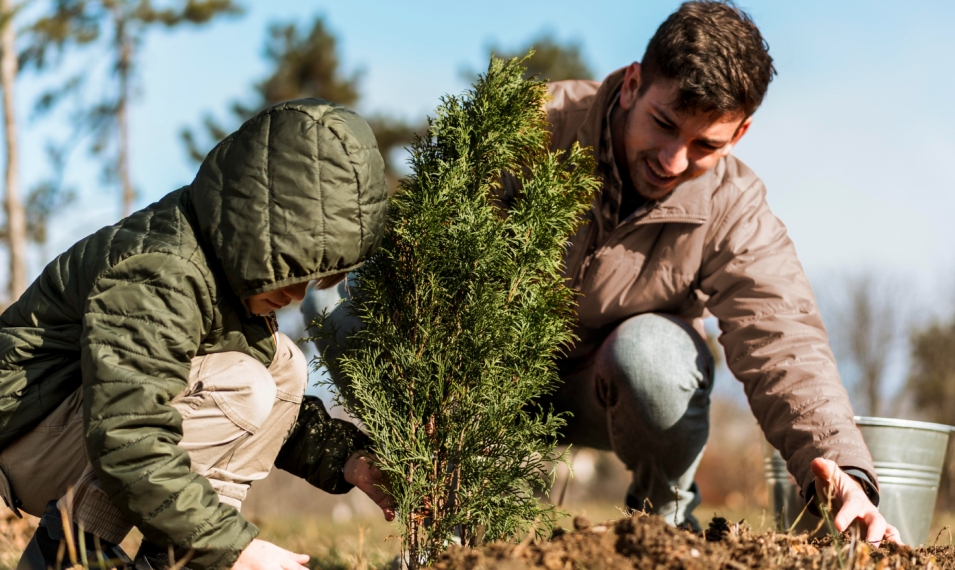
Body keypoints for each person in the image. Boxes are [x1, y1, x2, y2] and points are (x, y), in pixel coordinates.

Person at [307, 0, 900, 545]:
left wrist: (842, 468)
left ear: (740, 133)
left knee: (656, 355)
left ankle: (663, 528)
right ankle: (448, 516)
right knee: (334, 307)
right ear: (634, 84)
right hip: (487, 376)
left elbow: (783, 336)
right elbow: (424, 255)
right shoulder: (532, 129)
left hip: (608, 389)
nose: (674, 161)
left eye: (704, 145)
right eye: (664, 124)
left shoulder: (733, 207)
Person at [0, 99, 394, 570]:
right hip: (23, 441)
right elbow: (128, 428)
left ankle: (177, 560)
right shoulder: (162, 272)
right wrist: (235, 549)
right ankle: (69, 552)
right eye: (291, 267)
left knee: (283, 368)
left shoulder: (222, 271)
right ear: (255, 228)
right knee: (243, 383)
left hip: (80, 433)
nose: (295, 293)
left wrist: (348, 459)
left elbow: (257, 419)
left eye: (309, 277)